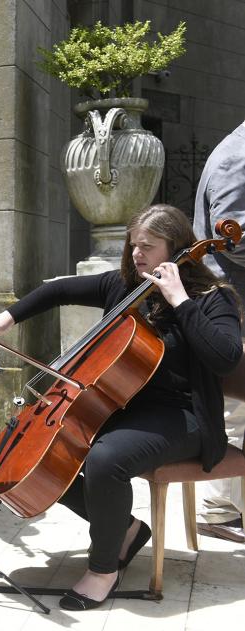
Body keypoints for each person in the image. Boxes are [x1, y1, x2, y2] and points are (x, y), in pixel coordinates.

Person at [0, 204, 242, 610]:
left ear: (176, 248)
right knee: (50, 453)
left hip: (186, 417)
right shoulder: (124, 286)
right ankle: (127, 530)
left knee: (105, 460)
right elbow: (57, 290)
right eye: (133, 245)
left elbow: (225, 358)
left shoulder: (211, 299)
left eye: (148, 246)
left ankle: (103, 569)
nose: (137, 254)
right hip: (127, 409)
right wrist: (6, 318)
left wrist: (180, 301)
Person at [192, 119, 245, 543]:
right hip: (233, 300)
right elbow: (231, 234)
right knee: (238, 409)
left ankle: (224, 508)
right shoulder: (236, 157)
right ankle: (220, 510)